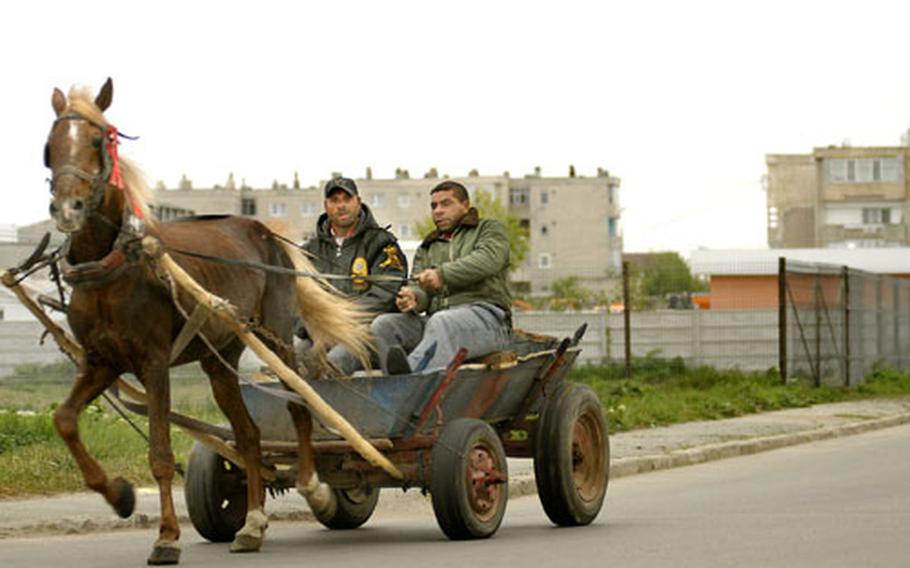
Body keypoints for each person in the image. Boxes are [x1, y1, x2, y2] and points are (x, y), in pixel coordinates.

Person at [369, 180, 512, 374]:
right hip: (439, 321)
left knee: (443, 322)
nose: (438, 211)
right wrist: (414, 298)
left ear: (465, 205)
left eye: (446, 204)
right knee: (383, 325)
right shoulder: (427, 247)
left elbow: (488, 260)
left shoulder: (488, 229)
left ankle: (407, 382)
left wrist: (442, 275)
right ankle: (393, 385)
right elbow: (420, 289)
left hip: (489, 321)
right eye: (434, 206)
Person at [298, 176, 407, 371]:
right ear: (325, 206)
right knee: (293, 359)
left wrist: (337, 325)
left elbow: (385, 297)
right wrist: (313, 329)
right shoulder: (308, 251)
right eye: (334, 200)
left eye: (346, 199)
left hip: (366, 334)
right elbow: (297, 298)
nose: (341, 206)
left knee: (335, 362)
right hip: (320, 336)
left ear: (358, 202)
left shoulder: (382, 243)